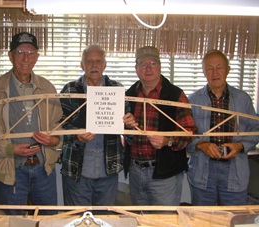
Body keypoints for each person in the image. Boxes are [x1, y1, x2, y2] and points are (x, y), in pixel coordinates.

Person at [0, 32, 63, 215]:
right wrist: (9, 149)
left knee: (48, 221)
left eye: (31, 52)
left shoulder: (48, 88)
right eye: (20, 51)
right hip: (9, 173)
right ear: (11, 56)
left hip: (43, 171)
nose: (26, 58)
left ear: (37, 57)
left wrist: (55, 140)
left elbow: (58, 124)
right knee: (11, 223)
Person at [59, 44, 133, 206]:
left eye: (98, 61)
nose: (94, 65)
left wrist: (130, 124)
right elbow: (59, 125)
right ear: (82, 65)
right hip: (77, 169)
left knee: (104, 219)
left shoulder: (117, 89)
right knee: (77, 219)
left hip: (108, 169)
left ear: (104, 65)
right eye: (89, 61)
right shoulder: (70, 89)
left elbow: (130, 133)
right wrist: (77, 135)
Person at [124, 46, 197, 206]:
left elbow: (190, 132)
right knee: (140, 219)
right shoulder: (129, 95)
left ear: (160, 66)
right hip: (136, 171)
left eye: (153, 63)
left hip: (165, 174)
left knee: (164, 220)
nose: (148, 68)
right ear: (136, 69)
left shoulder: (176, 95)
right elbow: (125, 135)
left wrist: (168, 141)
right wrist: (125, 127)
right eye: (143, 64)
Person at [186, 49, 259, 205]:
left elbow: (256, 130)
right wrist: (201, 144)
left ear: (228, 70)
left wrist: (239, 146)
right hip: (202, 170)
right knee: (203, 220)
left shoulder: (243, 99)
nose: (215, 72)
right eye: (210, 68)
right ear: (204, 72)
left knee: (232, 218)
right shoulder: (192, 100)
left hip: (235, 171)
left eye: (219, 67)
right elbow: (184, 133)